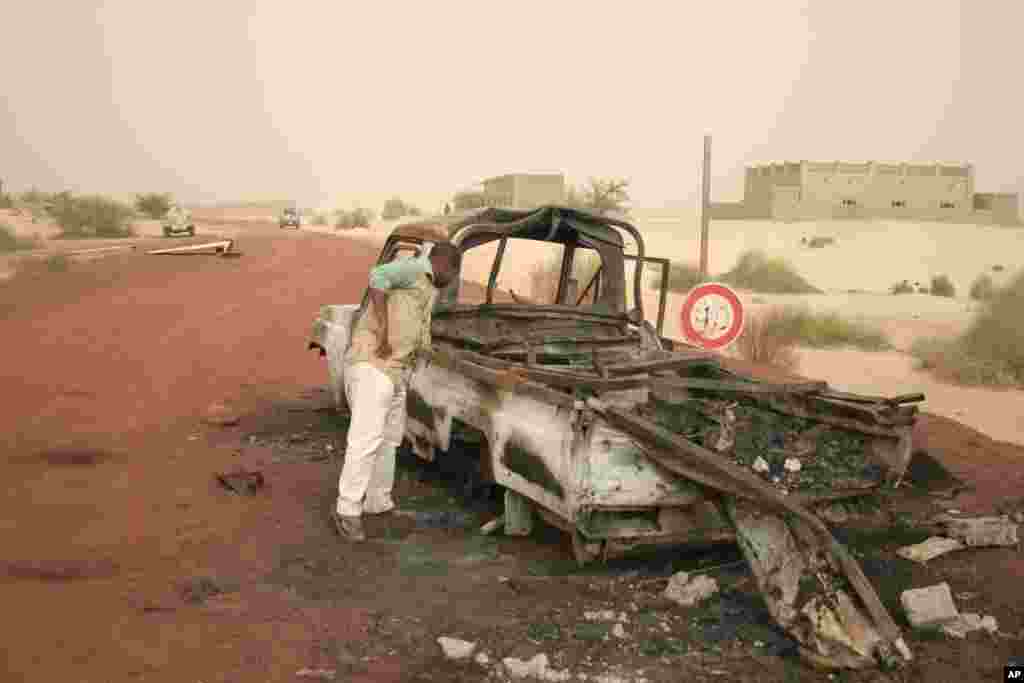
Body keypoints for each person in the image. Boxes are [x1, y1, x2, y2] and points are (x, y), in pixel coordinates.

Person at [332, 237, 461, 542]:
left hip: (396, 372)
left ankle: (378, 502)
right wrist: (384, 328)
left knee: (388, 440)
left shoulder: (429, 289)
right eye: (455, 273)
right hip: (373, 364)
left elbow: (420, 332)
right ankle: (347, 510)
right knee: (365, 440)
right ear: (445, 264)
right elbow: (377, 277)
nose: (454, 281)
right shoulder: (415, 268)